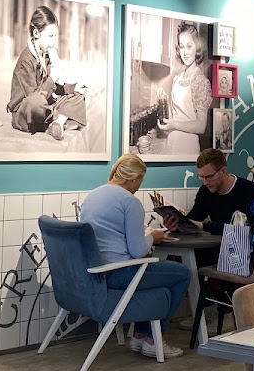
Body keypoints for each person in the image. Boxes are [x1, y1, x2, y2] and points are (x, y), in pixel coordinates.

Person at [79, 153, 190, 360]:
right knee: (182, 274)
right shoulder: (130, 202)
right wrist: (154, 237)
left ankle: (140, 336)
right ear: (132, 178)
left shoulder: (93, 196)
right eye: (140, 180)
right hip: (122, 273)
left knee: (161, 278)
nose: (139, 186)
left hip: (98, 272)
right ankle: (153, 339)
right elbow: (138, 251)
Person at [6, 5, 88, 141]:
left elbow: (53, 88)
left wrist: (72, 88)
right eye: (50, 36)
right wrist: (53, 77)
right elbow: (35, 97)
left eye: (55, 36)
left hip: (44, 104)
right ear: (36, 33)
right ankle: (59, 120)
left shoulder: (46, 54)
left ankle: (58, 123)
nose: (53, 41)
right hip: (25, 112)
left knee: (78, 96)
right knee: (37, 101)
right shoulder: (26, 60)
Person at [163, 148, 254, 236]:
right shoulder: (205, 191)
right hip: (216, 246)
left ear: (223, 171)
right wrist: (177, 225)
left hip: (243, 250)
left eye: (209, 176)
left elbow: (249, 230)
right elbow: (194, 218)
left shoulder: (250, 191)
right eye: (201, 177)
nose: (205, 182)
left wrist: (204, 226)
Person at [150, 22, 212, 156]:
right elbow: (174, 117)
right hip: (172, 142)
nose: (185, 52)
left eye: (189, 46)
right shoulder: (177, 79)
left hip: (188, 146)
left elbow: (201, 126)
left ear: (197, 48)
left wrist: (173, 125)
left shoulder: (201, 81)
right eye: (182, 46)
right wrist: (163, 101)